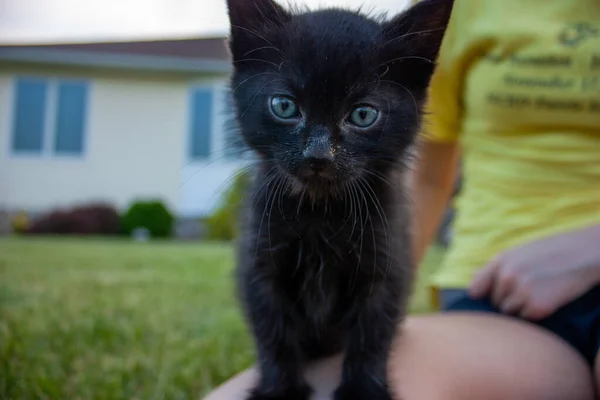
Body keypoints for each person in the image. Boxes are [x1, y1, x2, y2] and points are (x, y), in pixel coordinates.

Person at [203, 0, 600, 398]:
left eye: (361, 116)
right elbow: (427, 182)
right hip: (497, 293)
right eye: (285, 107)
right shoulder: (474, 8)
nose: (319, 153)